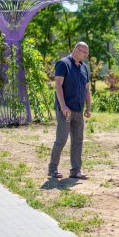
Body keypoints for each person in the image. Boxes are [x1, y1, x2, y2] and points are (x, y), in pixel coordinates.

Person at [48, 42, 91, 180]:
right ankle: (52, 169)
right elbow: (58, 86)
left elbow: (86, 89)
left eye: (87, 53)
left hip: (78, 109)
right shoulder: (63, 64)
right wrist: (63, 106)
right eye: (84, 52)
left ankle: (75, 171)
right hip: (65, 110)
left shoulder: (84, 67)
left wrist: (88, 107)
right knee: (61, 139)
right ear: (77, 50)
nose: (86, 55)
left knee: (78, 140)